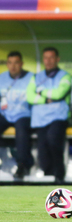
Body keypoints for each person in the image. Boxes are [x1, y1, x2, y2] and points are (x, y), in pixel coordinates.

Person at [27, 47, 72, 183]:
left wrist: (40, 92)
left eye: (51, 57)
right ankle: (48, 176)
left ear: (57, 59)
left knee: (53, 140)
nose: (48, 61)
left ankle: (59, 175)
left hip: (58, 116)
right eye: (46, 58)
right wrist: (46, 98)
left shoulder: (65, 76)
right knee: (43, 148)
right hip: (40, 119)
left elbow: (59, 94)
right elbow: (29, 96)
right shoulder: (36, 77)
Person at [0, 51, 34, 179]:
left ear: (22, 64)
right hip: (4, 114)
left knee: (21, 132)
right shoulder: (1, 78)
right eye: (10, 63)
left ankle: (23, 166)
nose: (13, 66)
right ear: (7, 64)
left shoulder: (31, 77)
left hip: (23, 113)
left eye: (16, 63)